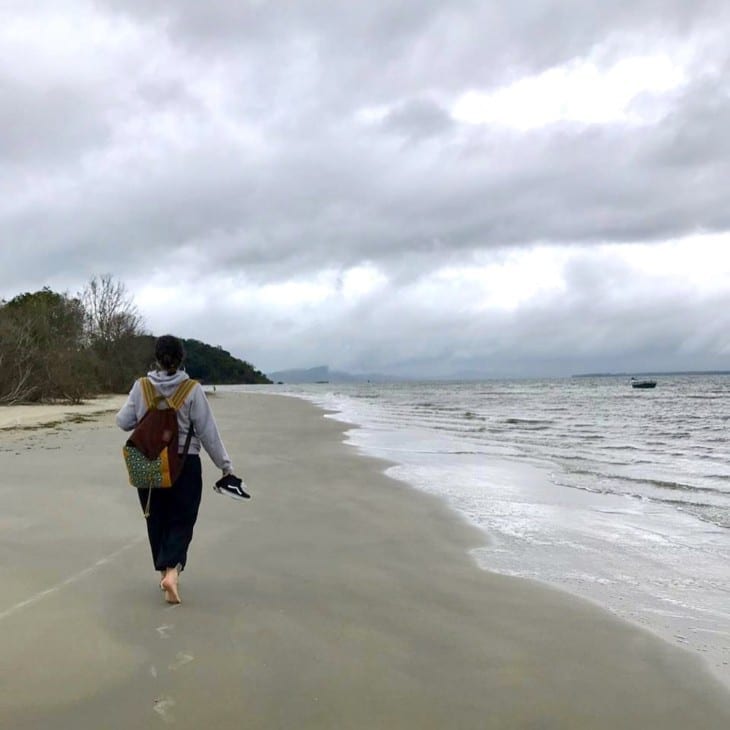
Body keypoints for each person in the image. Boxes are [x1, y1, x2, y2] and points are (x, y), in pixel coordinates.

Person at [116, 334, 242, 604]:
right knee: (182, 519)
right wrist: (225, 466)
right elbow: (208, 433)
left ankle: (164, 571)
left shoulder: (141, 387)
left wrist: (145, 414)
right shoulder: (192, 389)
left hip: (148, 463)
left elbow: (123, 422)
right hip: (185, 464)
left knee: (156, 518)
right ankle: (172, 572)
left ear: (156, 359)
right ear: (182, 359)